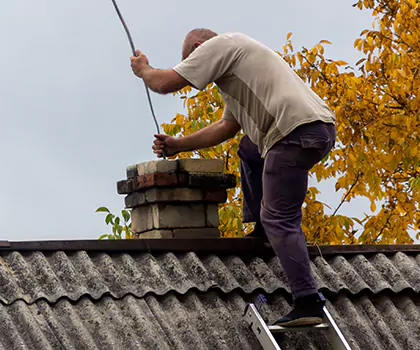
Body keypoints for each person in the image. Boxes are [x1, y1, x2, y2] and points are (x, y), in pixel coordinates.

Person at [129, 28, 336, 327]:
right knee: (249, 148)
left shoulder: (221, 45)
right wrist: (178, 144)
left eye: (193, 61)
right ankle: (265, 229)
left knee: (280, 217)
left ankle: (307, 301)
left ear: (199, 47)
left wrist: (143, 69)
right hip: (313, 129)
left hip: (293, 133)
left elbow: (164, 83)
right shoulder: (239, 67)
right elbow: (227, 127)